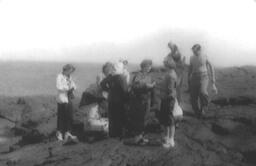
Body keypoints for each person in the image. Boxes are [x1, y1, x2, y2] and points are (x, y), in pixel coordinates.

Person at [129, 59, 155, 144]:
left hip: (147, 99)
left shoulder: (149, 76)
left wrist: (152, 101)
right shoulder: (138, 75)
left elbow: (152, 89)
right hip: (139, 100)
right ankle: (137, 138)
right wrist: (147, 85)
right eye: (148, 66)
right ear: (143, 67)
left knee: (145, 119)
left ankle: (141, 137)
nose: (149, 68)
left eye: (150, 66)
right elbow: (135, 86)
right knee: (139, 119)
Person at [188, 44, 218, 118]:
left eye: (195, 51)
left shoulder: (205, 56)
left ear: (199, 50)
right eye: (193, 51)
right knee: (193, 97)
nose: (194, 53)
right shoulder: (191, 58)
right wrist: (188, 79)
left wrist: (213, 82)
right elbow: (190, 69)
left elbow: (211, 67)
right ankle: (197, 112)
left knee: (203, 92)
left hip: (204, 77)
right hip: (194, 77)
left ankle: (203, 108)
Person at [100, 62, 129, 138]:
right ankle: (120, 134)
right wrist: (127, 100)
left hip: (111, 99)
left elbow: (102, 83)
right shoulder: (121, 77)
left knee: (112, 117)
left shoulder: (110, 76)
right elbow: (125, 90)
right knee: (120, 116)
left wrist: (108, 89)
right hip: (120, 100)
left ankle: (112, 133)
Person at [56, 64, 78, 142]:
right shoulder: (60, 76)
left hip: (68, 98)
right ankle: (59, 134)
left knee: (69, 116)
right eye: (70, 71)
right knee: (61, 117)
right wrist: (67, 88)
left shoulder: (69, 77)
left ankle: (67, 132)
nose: (70, 73)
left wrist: (72, 88)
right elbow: (59, 87)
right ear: (66, 69)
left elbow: (74, 85)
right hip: (62, 99)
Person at [158, 58, 177, 148]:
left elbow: (171, 91)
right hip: (166, 99)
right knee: (166, 119)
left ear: (168, 65)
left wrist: (163, 96)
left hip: (168, 100)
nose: (164, 65)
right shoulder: (170, 73)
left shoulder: (171, 75)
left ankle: (171, 140)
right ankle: (167, 137)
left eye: (165, 64)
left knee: (170, 120)